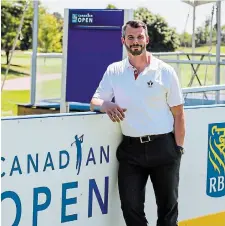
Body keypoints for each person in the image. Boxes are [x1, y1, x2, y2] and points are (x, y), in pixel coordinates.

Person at [90, 20, 185, 226]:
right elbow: (94, 101)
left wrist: (178, 149)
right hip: (131, 151)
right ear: (123, 40)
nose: (135, 41)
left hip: (164, 148)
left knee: (168, 212)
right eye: (131, 37)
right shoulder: (114, 70)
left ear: (147, 39)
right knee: (131, 209)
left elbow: (178, 113)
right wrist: (106, 104)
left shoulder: (165, 71)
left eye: (140, 37)